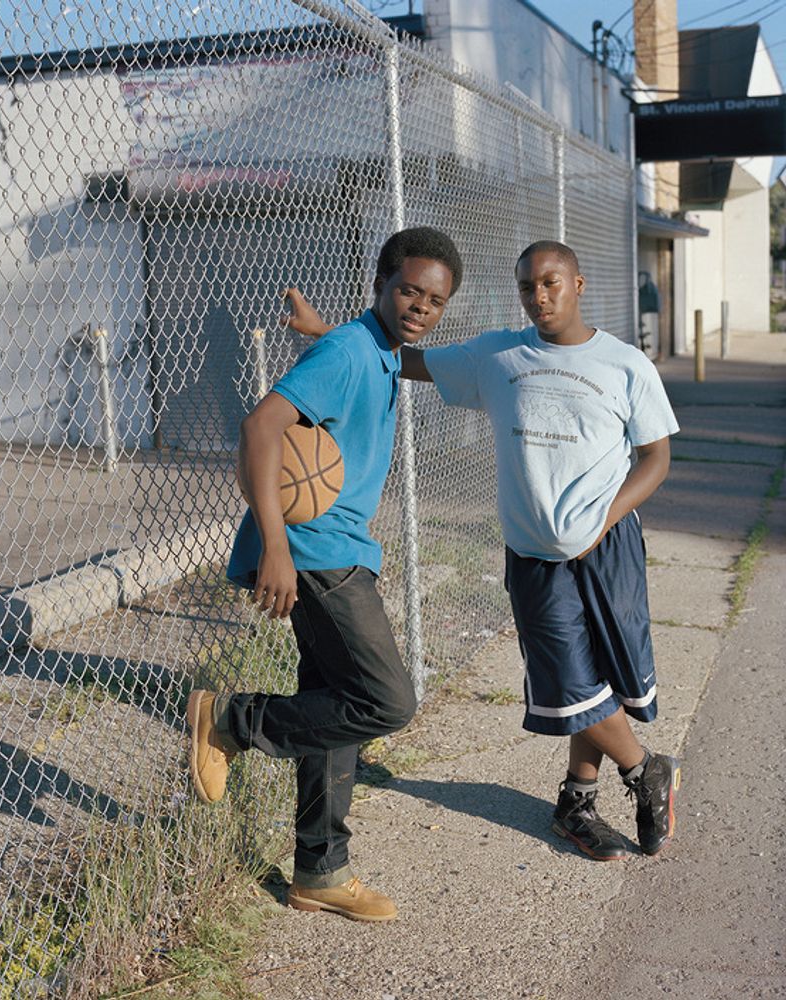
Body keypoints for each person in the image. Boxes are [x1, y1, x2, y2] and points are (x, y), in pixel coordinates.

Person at [286, 240, 682, 861]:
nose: (539, 296)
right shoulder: (497, 354)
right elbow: (407, 358)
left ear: (578, 284)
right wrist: (325, 331)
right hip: (533, 552)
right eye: (528, 286)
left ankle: (577, 799)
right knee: (569, 680)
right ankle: (644, 770)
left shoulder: (625, 364)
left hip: (607, 545)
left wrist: (605, 519)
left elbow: (656, 457)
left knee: (598, 678)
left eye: (551, 283)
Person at [187, 227, 463, 921]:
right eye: (408, 290)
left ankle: (320, 870)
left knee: (334, 703)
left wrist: (325, 329)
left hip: (337, 549)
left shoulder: (373, 347)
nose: (420, 307)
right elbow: (260, 427)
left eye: (434, 301)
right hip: (316, 554)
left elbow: (392, 356)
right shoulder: (348, 351)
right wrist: (274, 550)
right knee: (386, 701)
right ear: (381, 281)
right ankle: (230, 720)